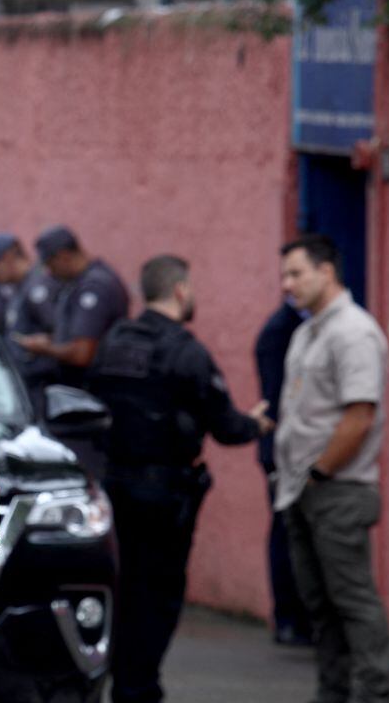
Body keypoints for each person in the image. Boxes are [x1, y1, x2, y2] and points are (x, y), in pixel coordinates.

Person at [88, 255, 273, 703]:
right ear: (180, 291)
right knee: (159, 595)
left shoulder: (114, 341)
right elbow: (225, 426)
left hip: (115, 487)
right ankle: (139, 688)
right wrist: (256, 424)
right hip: (164, 496)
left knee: (124, 588)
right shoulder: (186, 351)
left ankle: (121, 681)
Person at [274, 234, 389, 703]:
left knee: (353, 601)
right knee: (319, 606)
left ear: (327, 272)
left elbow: (359, 416)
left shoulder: (354, 332)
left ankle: (373, 693)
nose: (288, 284)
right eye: (284, 275)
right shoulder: (308, 331)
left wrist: (320, 472)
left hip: (339, 489)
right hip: (303, 490)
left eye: (296, 273)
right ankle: (333, 692)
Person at [253, 297, 314, 646]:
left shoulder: (303, 327)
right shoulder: (281, 331)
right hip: (282, 450)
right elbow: (277, 399)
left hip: (292, 448)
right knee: (286, 531)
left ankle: (297, 617)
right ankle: (289, 618)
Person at [13, 225, 129, 389]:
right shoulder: (79, 281)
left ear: (64, 257)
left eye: (50, 264)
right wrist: (52, 339)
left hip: (94, 387)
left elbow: (82, 354)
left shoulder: (94, 286)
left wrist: (45, 348)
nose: (49, 272)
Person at [0, 233, 61, 412]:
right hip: (26, 385)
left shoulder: (37, 288)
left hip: (42, 384)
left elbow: (59, 334)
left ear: (7, 258)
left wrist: (42, 345)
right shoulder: (19, 289)